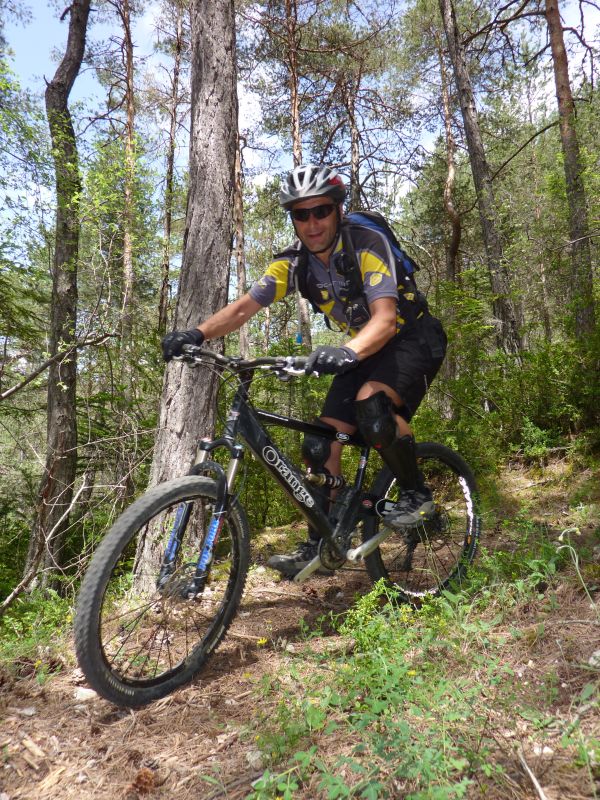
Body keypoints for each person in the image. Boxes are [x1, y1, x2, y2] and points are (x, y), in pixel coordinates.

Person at [162, 164, 447, 578]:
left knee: (372, 406)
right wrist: (197, 333)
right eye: (300, 214)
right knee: (320, 443)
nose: (311, 223)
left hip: (412, 338)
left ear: (338, 210)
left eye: (321, 212)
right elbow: (244, 307)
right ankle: (322, 542)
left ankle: (416, 493)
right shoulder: (294, 263)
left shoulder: (366, 242)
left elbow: (385, 319)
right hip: (362, 349)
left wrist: (345, 352)